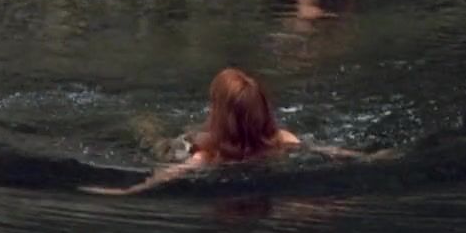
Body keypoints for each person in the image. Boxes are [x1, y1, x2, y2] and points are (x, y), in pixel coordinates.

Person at [82, 67, 380, 196]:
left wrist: (125, 191)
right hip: (217, 143)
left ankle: (143, 122)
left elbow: (164, 177)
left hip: (183, 147)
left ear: (219, 114)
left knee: (153, 135)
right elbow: (326, 151)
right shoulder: (280, 140)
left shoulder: (207, 156)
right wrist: (365, 157)